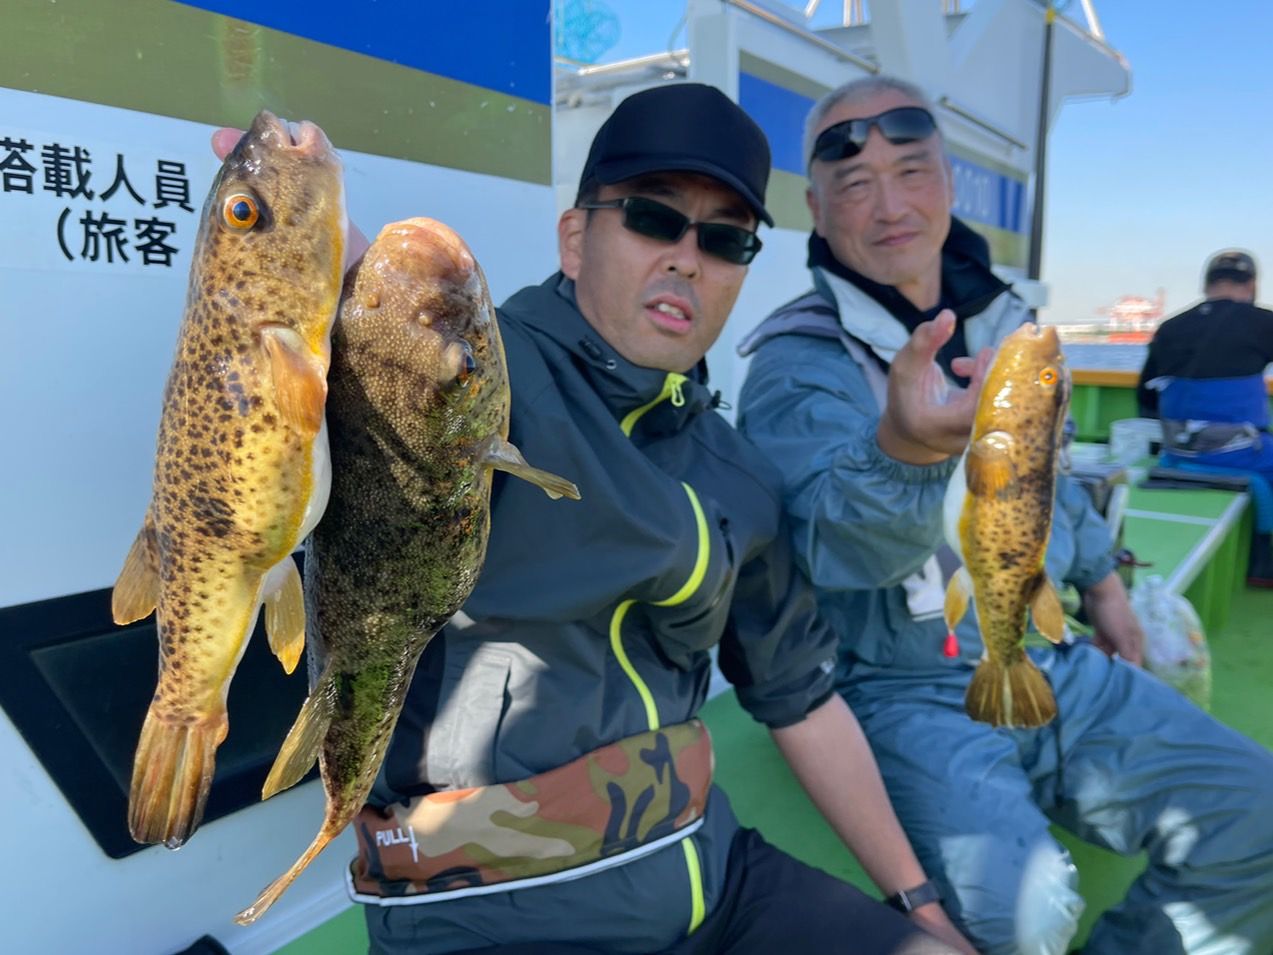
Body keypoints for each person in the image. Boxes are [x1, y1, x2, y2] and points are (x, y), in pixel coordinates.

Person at [209, 84, 974, 953]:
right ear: (575, 239)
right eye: (653, 219)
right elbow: (389, 336)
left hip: (714, 875)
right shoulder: (478, 376)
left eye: (724, 239)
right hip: (491, 916)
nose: (687, 259)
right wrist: (296, 227)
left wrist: (918, 904)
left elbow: (799, 696)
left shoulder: (735, 472)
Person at [735, 75, 1273, 955]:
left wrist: (1099, 580)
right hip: (899, 685)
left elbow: (1047, 475)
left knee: (1259, 813)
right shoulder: (794, 366)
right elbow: (832, 549)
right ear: (816, 210)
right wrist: (903, 449)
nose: (890, 205)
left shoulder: (1009, 328)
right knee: (1023, 918)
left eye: (911, 171)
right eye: (855, 184)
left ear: (948, 182)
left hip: (1047, 649)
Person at [1137, 250, 1273, 583]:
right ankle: (1263, 562)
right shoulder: (1264, 322)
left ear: (1207, 284)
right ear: (1252, 285)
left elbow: (1145, 398)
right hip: (1239, 455)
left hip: (1176, 452)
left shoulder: (1170, 327)